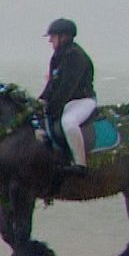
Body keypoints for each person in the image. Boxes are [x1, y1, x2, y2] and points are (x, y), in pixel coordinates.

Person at [39, 17, 95, 174]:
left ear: (64, 37)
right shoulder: (57, 57)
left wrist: (51, 109)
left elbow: (66, 88)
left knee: (69, 123)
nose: (50, 40)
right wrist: (41, 101)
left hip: (81, 101)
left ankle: (80, 164)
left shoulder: (75, 56)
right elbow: (52, 85)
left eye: (52, 36)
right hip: (67, 101)